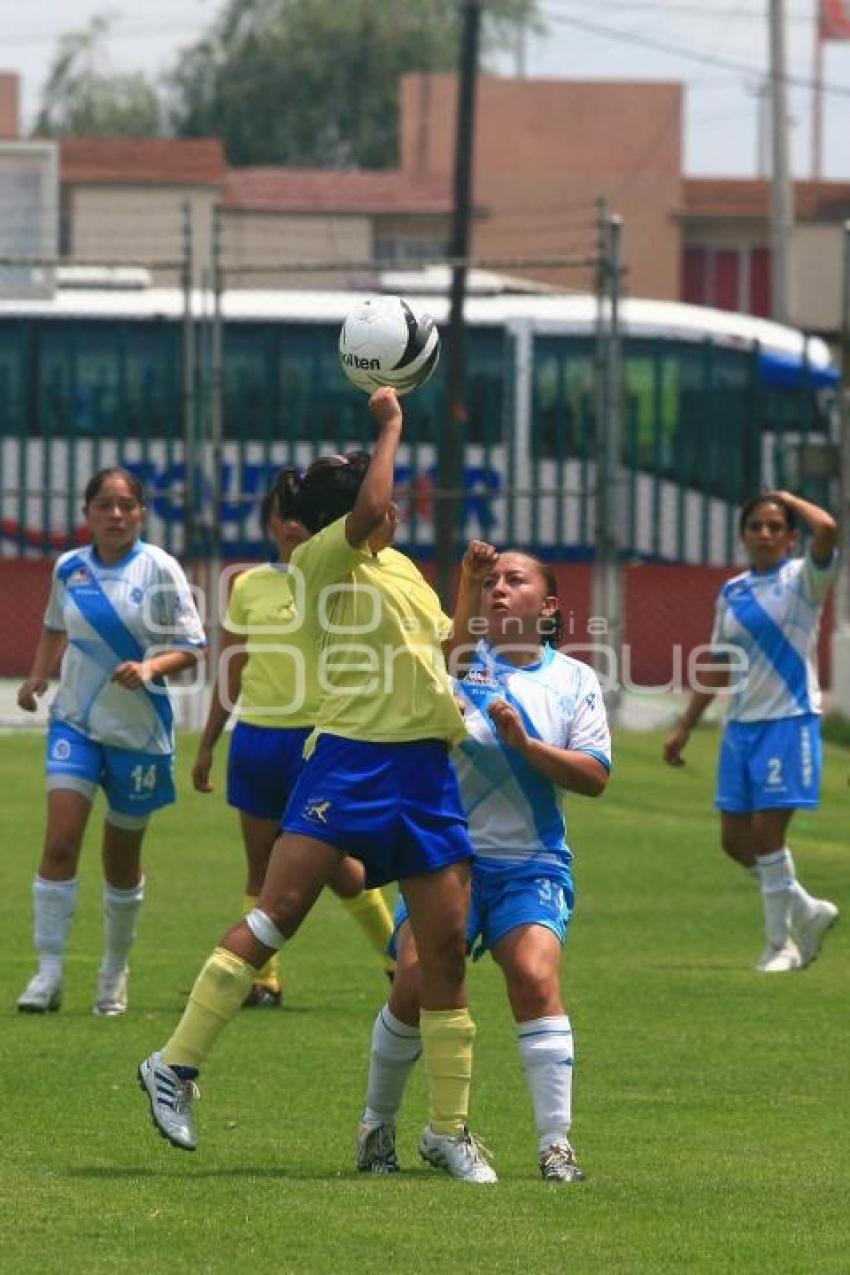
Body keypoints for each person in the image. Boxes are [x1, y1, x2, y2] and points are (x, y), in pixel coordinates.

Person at [137, 387, 498, 1183]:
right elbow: (370, 504)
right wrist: (393, 425)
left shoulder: (400, 567)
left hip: (425, 772)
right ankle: (174, 1065)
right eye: (384, 500)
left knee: (440, 947)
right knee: (278, 912)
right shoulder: (321, 557)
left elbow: (450, 655)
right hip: (350, 759)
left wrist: (470, 590)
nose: (393, 508)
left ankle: (448, 1129)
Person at [355, 548, 611, 1182]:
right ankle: (376, 1127)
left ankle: (556, 1146)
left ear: (547, 606)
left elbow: (595, 775)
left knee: (533, 976)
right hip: (446, 861)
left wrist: (527, 746)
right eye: (492, 581)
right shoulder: (460, 666)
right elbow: (430, 680)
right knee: (412, 984)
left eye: (515, 580)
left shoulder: (575, 679)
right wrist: (463, 585)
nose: (501, 589)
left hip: (532, 864)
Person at [192, 467, 396, 1007]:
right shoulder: (247, 585)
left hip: (321, 737)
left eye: (299, 514)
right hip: (259, 739)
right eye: (280, 514)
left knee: (336, 864)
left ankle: (396, 956)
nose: (290, 525)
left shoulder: (337, 575)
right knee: (261, 862)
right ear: (269, 522)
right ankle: (264, 979)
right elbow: (232, 669)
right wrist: (210, 741)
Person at [16, 466, 206, 1015]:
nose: (116, 515)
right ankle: (48, 974)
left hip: (139, 734)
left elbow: (192, 644)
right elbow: (56, 626)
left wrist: (150, 669)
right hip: (75, 722)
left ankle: (113, 973)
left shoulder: (161, 569)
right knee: (59, 841)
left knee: (121, 860)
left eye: (126, 505)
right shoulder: (69, 568)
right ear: (87, 512)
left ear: (142, 512)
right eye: (104, 504)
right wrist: (38, 675)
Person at [663, 490, 840, 973]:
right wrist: (685, 726)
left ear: (789, 537)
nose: (764, 534)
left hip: (789, 720)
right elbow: (720, 664)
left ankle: (779, 945)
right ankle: (806, 909)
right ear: (743, 535)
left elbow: (827, 528)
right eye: (755, 526)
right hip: (741, 726)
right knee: (734, 840)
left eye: (774, 526)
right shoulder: (733, 591)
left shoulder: (805, 578)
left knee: (767, 834)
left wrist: (785, 497)